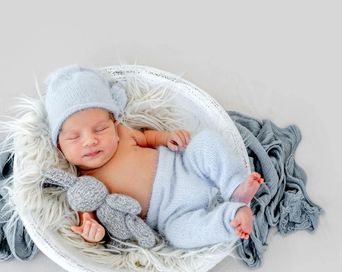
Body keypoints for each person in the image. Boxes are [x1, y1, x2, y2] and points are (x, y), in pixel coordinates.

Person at [44, 64, 264, 248]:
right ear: (59, 147)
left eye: (100, 129)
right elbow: (88, 215)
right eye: (74, 137)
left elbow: (147, 138)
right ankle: (230, 219)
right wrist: (92, 232)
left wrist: (167, 138)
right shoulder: (83, 183)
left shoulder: (123, 134)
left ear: (114, 124)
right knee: (179, 236)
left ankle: (235, 187)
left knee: (206, 141)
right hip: (170, 214)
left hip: (185, 167)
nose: (90, 141)